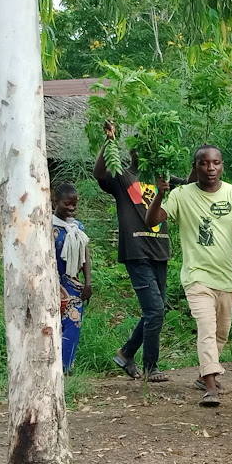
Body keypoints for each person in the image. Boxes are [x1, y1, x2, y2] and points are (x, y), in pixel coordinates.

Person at [145, 145, 232, 407]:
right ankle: (210, 386)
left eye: (216, 163)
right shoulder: (182, 194)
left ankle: (203, 374)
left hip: (227, 277)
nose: (210, 169)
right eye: (204, 164)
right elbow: (152, 221)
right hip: (197, 276)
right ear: (195, 167)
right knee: (206, 329)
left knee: (221, 334)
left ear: (222, 165)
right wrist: (160, 195)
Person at [94, 121, 174, 382]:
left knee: (156, 310)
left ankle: (126, 353)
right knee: (155, 310)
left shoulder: (164, 179)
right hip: (136, 251)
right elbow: (99, 172)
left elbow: (194, 184)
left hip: (160, 251)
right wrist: (109, 140)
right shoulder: (123, 176)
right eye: (140, 148)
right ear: (132, 151)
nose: (144, 153)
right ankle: (151, 366)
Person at [52, 183, 92, 374]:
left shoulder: (77, 227)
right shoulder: (46, 226)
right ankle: (50, 370)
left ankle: (65, 369)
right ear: (55, 201)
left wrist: (88, 283)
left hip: (74, 286)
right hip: (51, 285)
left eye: (74, 204)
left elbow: (85, 256)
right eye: (67, 204)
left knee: (73, 326)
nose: (71, 208)